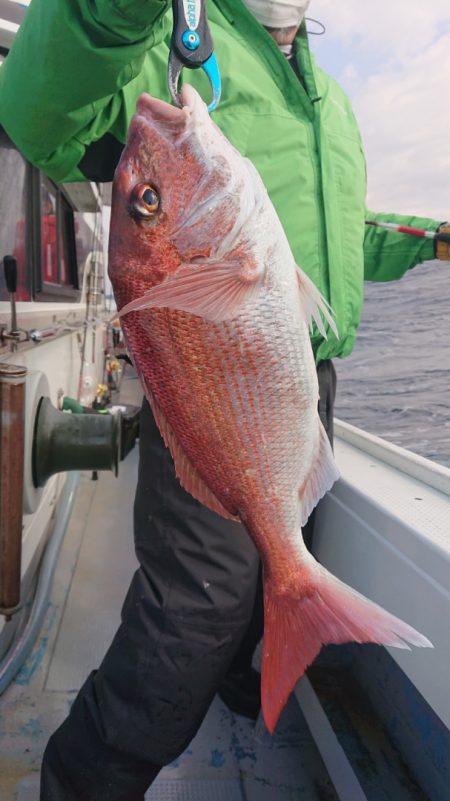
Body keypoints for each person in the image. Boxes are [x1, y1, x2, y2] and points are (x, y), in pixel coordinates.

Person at [1, 1, 448, 798]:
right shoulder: (177, 38)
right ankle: (81, 778)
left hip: (296, 376)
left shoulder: (329, 99)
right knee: (195, 610)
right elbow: (44, 116)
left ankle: (251, 681)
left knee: (275, 557)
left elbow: (343, 232)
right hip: (221, 381)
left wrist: (437, 238)